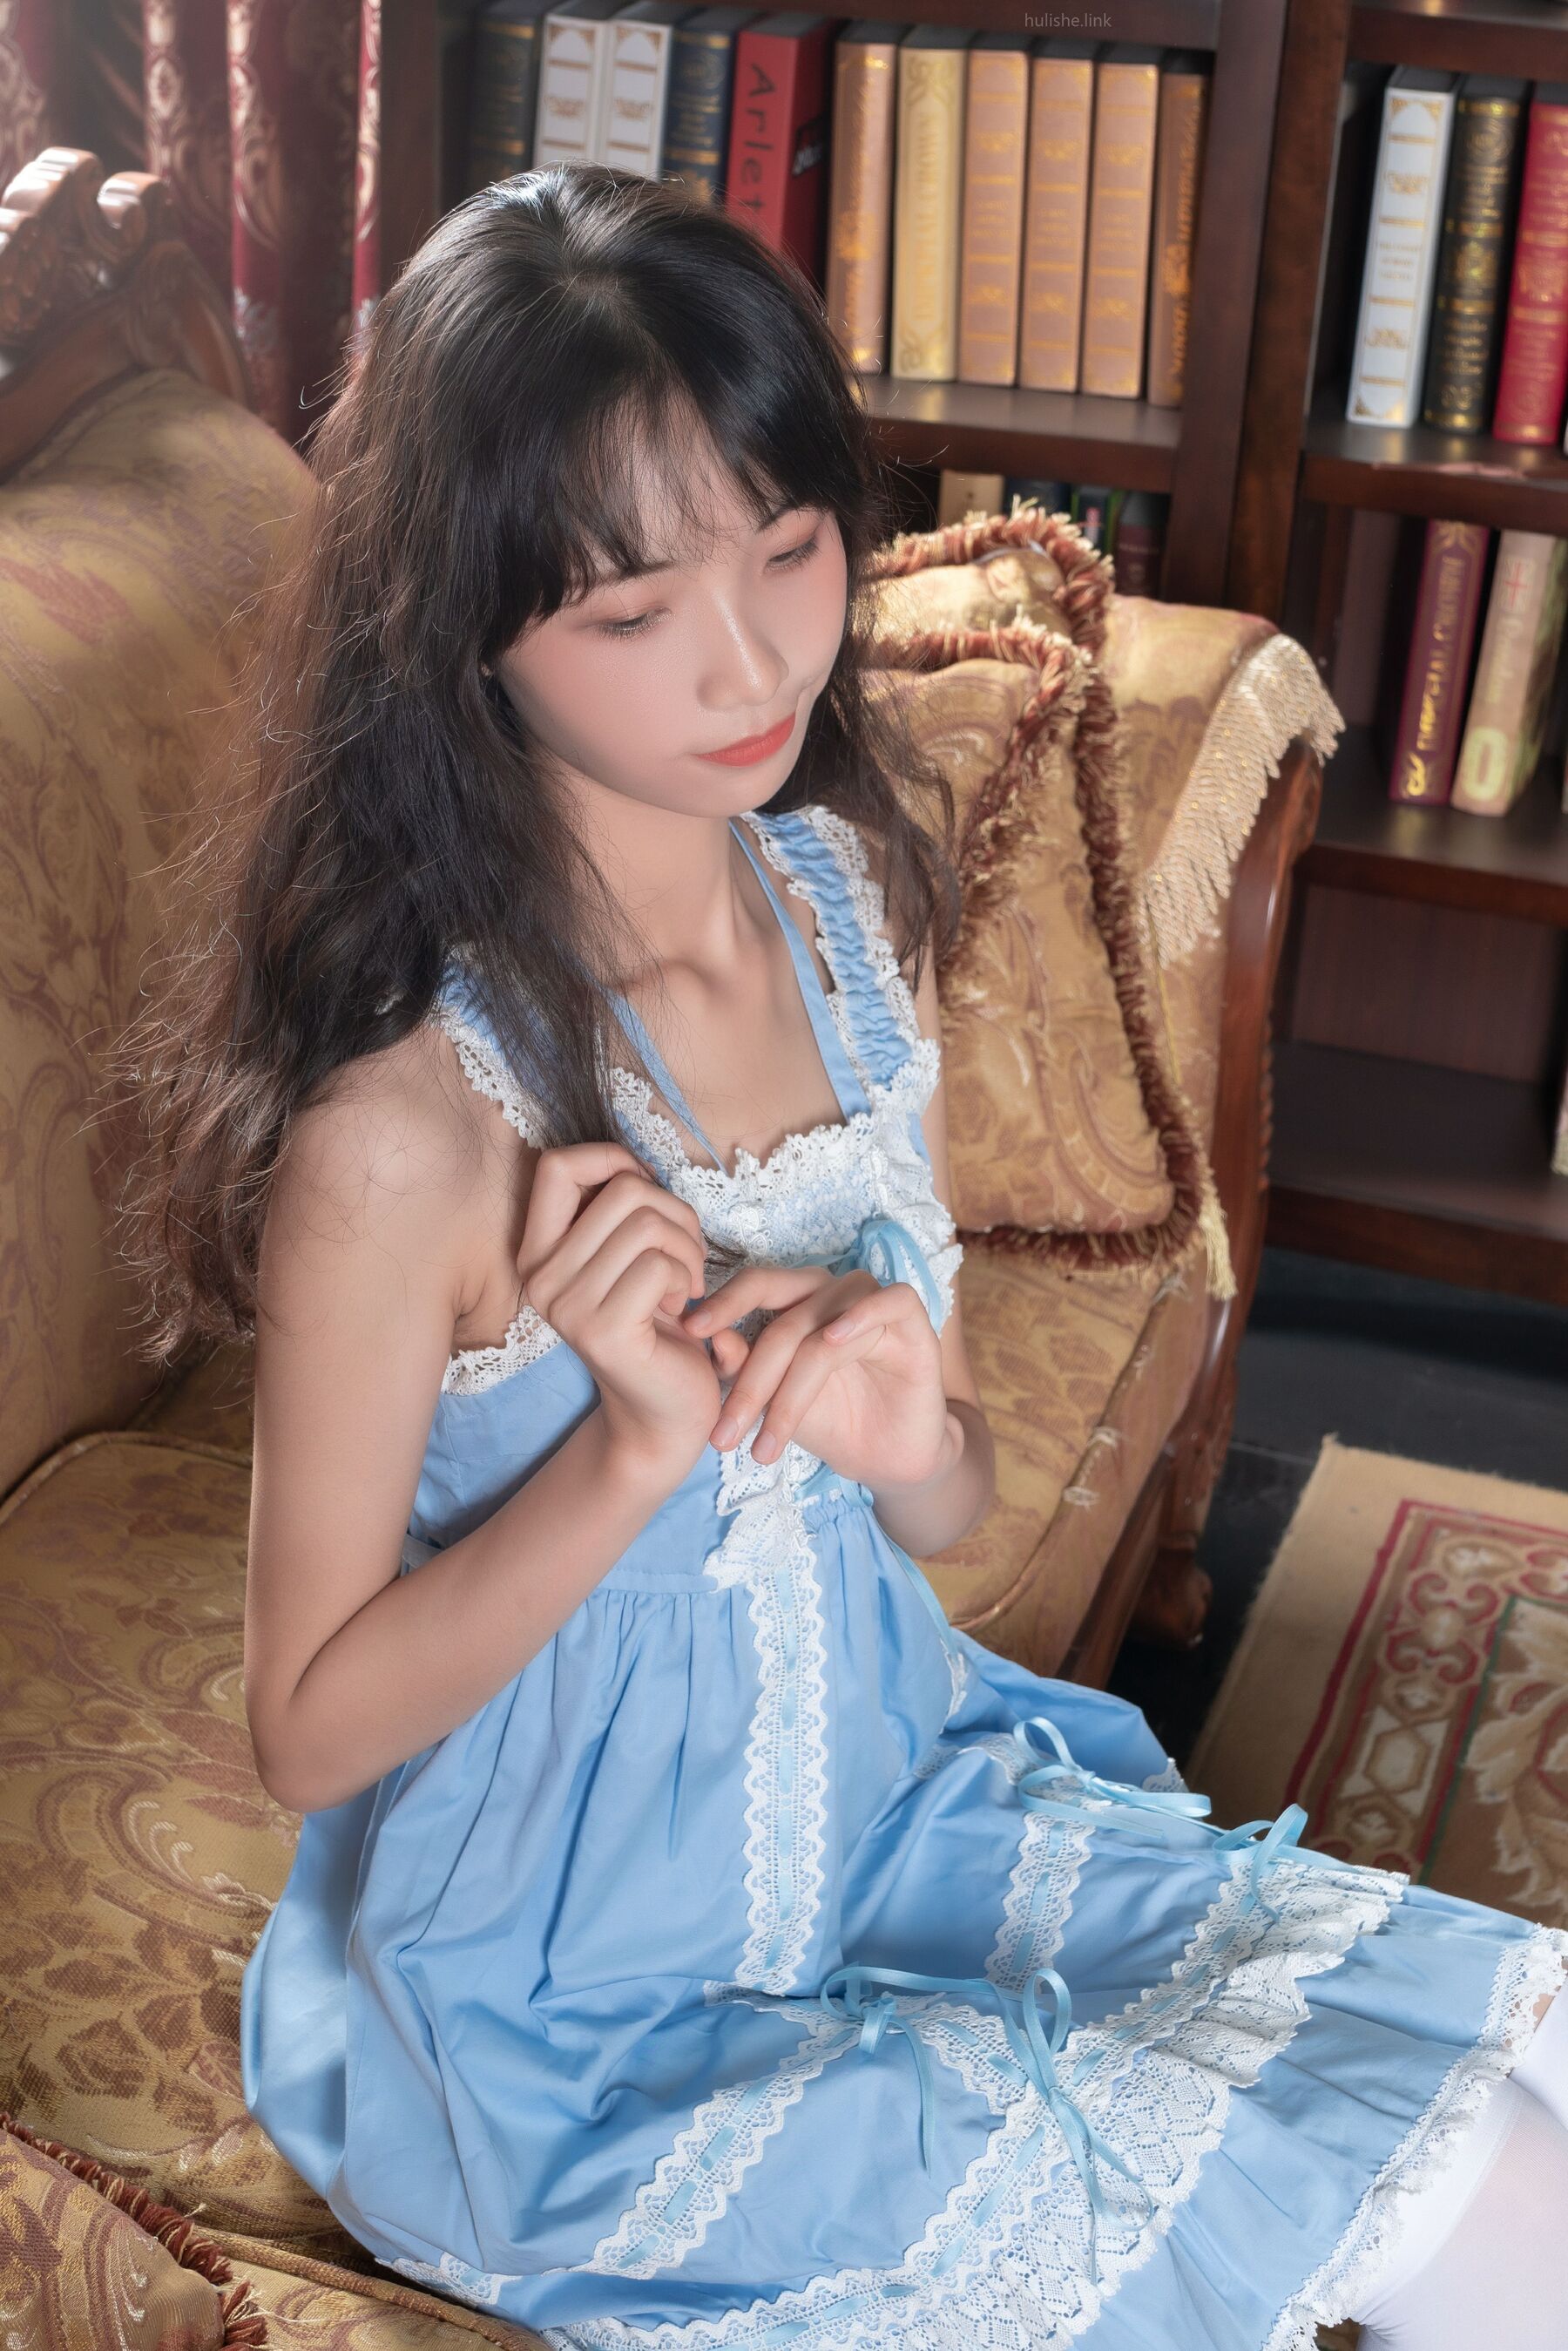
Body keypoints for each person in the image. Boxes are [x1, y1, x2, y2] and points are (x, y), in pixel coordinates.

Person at [112, 163, 1568, 2351]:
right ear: (464, 625)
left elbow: (943, 1497)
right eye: (633, 608)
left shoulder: (838, 899)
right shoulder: (409, 1136)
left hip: (887, 1808)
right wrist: (626, 1454)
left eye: (789, 543)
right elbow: (308, 1727)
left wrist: (906, 1424)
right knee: (1468, 2195)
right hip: (579, 2002)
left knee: (1538, 2074)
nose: (751, 658)